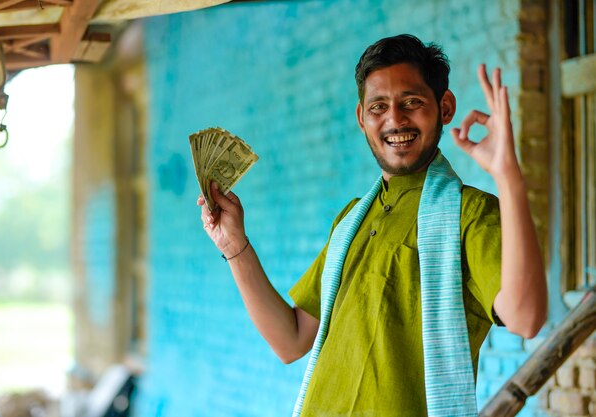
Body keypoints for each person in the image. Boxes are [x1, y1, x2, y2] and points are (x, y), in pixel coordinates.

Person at [197, 34, 547, 417]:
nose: (395, 119)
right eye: (379, 106)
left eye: (412, 102)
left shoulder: (470, 214)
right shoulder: (352, 220)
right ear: (362, 118)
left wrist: (508, 175)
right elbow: (291, 340)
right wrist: (235, 247)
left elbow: (526, 318)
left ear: (445, 107)